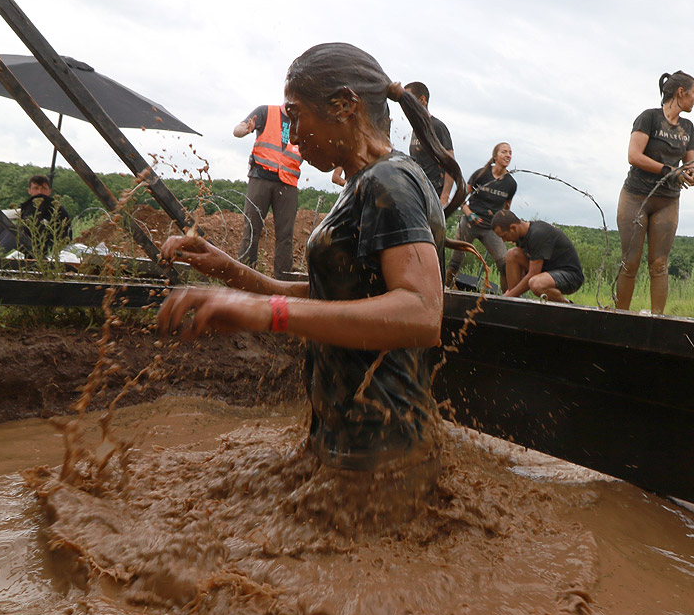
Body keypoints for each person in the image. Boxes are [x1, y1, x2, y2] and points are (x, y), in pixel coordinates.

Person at [158, 42, 465, 476]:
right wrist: (226, 268)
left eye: (296, 115)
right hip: (352, 438)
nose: (294, 136)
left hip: (381, 449)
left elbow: (421, 312)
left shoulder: (390, 182)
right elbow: (332, 296)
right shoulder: (365, 182)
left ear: (344, 105)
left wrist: (268, 313)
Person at [615, 70, 694, 314]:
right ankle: (621, 318)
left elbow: (690, 164)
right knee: (630, 261)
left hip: (668, 201)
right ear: (680, 93)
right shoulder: (648, 118)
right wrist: (669, 170)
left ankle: (657, 321)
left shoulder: (688, 127)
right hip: (636, 196)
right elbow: (634, 156)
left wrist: (691, 174)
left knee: (659, 264)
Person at [233, 104, 303, 277]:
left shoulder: (304, 122)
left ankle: (282, 281)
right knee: (252, 229)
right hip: (261, 178)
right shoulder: (266, 112)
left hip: (288, 183)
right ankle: (245, 278)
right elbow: (238, 130)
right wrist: (244, 129)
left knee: (285, 235)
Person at [443, 142, 516, 291]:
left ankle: (508, 297)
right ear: (495, 156)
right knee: (455, 262)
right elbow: (461, 197)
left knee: (504, 264)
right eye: (504, 152)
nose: (508, 155)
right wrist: (469, 214)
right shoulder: (481, 174)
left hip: (491, 228)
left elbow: (506, 210)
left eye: (510, 153)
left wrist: (506, 232)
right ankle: (444, 290)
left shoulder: (510, 183)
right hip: (469, 225)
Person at [493, 209, 584, 303]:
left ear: (513, 228)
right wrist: (511, 292)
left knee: (536, 284)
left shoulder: (538, 234)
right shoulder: (520, 237)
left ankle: (566, 306)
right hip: (547, 271)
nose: (503, 240)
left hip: (570, 276)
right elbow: (524, 271)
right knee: (512, 254)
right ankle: (514, 303)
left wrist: (508, 296)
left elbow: (533, 274)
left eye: (504, 236)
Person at [0, 174, 72, 258]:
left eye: (43, 188)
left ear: (49, 191)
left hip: (46, 246)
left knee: (14, 231)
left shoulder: (51, 204)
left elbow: (33, 228)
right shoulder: (32, 204)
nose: (40, 192)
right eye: (36, 188)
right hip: (32, 240)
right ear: (29, 190)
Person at [403, 82, 455, 205]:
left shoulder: (437, 127)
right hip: (418, 191)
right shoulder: (416, 129)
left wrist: (444, 197)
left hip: (434, 194)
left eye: (408, 100)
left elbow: (451, 165)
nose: (405, 106)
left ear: (422, 100)